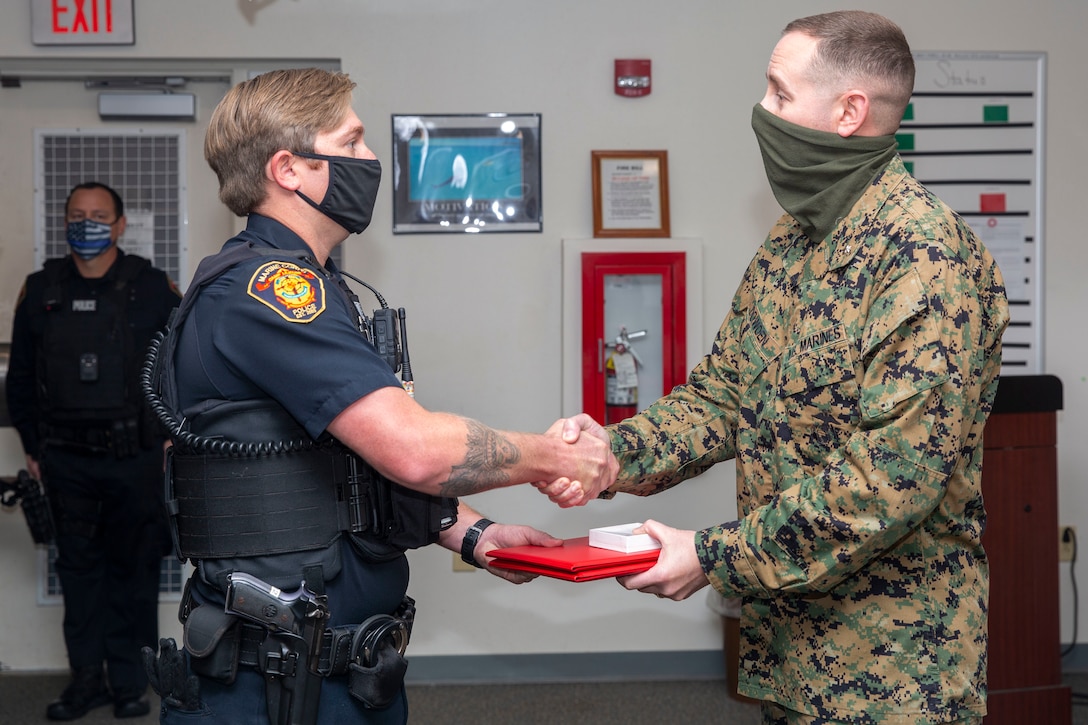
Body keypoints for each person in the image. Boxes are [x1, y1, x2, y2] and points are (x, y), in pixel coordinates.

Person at [541, 11, 1009, 725]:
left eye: (780, 93)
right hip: (796, 654)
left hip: (895, 671)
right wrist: (610, 454)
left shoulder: (922, 254)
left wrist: (712, 555)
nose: (763, 111)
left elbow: (890, 480)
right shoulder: (794, 241)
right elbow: (723, 398)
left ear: (849, 111)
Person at [139, 67, 614, 725]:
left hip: (340, 667)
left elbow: (345, 467)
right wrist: (554, 456)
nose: (370, 158)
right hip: (274, 685)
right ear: (290, 169)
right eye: (353, 140)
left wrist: (476, 533)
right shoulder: (269, 294)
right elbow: (413, 450)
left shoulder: (314, 286)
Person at [6, 181, 182, 720]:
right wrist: (34, 447)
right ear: (64, 223)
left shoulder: (153, 288)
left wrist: (172, 437)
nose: (88, 223)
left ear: (121, 225)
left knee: (135, 573)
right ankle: (86, 682)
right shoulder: (39, 290)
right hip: (65, 461)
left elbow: (182, 367)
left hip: (136, 459)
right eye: (77, 215)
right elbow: (21, 379)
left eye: (99, 215)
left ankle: (130, 683)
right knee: (79, 573)